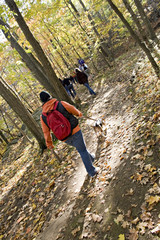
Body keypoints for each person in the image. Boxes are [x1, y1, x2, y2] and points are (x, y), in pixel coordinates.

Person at [40, 91, 98, 177]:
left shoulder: (43, 116)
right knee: (82, 150)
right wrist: (79, 114)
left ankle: (91, 158)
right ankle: (92, 172)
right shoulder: (61, 103)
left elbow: (46, 132)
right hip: (75, 130)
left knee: (81, 149)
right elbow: (73, 109)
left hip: (64, 137)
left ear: (42, 102)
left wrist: (50, 144)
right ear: (50, 96)